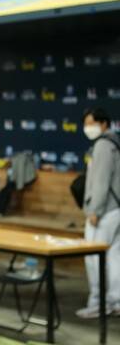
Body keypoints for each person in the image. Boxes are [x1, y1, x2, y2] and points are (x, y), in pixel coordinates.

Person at [76, 108, 120, 318]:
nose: (87, 128)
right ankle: (115, 301)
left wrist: (95, 210)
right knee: (114, 258)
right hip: (115, 209)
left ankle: (98, 303)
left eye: (91, 123)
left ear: (103, 124)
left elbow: (101, 181)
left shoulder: (103, 145)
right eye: (85, 124)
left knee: (94, 258)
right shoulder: (114, 142)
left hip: (104, 211)